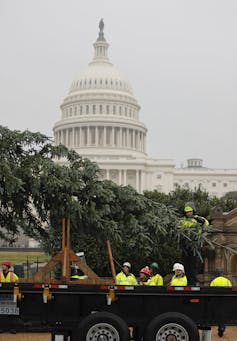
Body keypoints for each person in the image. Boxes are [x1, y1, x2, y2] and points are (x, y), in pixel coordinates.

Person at [178, 202, 209, 285]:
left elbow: (206, 224)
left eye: (190, 212)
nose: (189, 213)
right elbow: (179, 229)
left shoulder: (198, 219)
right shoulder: (182, 220)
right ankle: (188, 280)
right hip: (186, 245)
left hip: (195, 245)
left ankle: (193, 280)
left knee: (194, 264)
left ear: (193, 211)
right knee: (186, 264)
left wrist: (201, 221)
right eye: (187, 212)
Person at [210, 268, 232, 337]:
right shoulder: (227, 281)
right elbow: (231, 290)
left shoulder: (213, 281)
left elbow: (211, 291)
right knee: (224, 315)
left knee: (218, 315)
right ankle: (222, 327)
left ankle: (219, 327)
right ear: (222, 273)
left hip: (217, 301)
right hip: (225, 301)